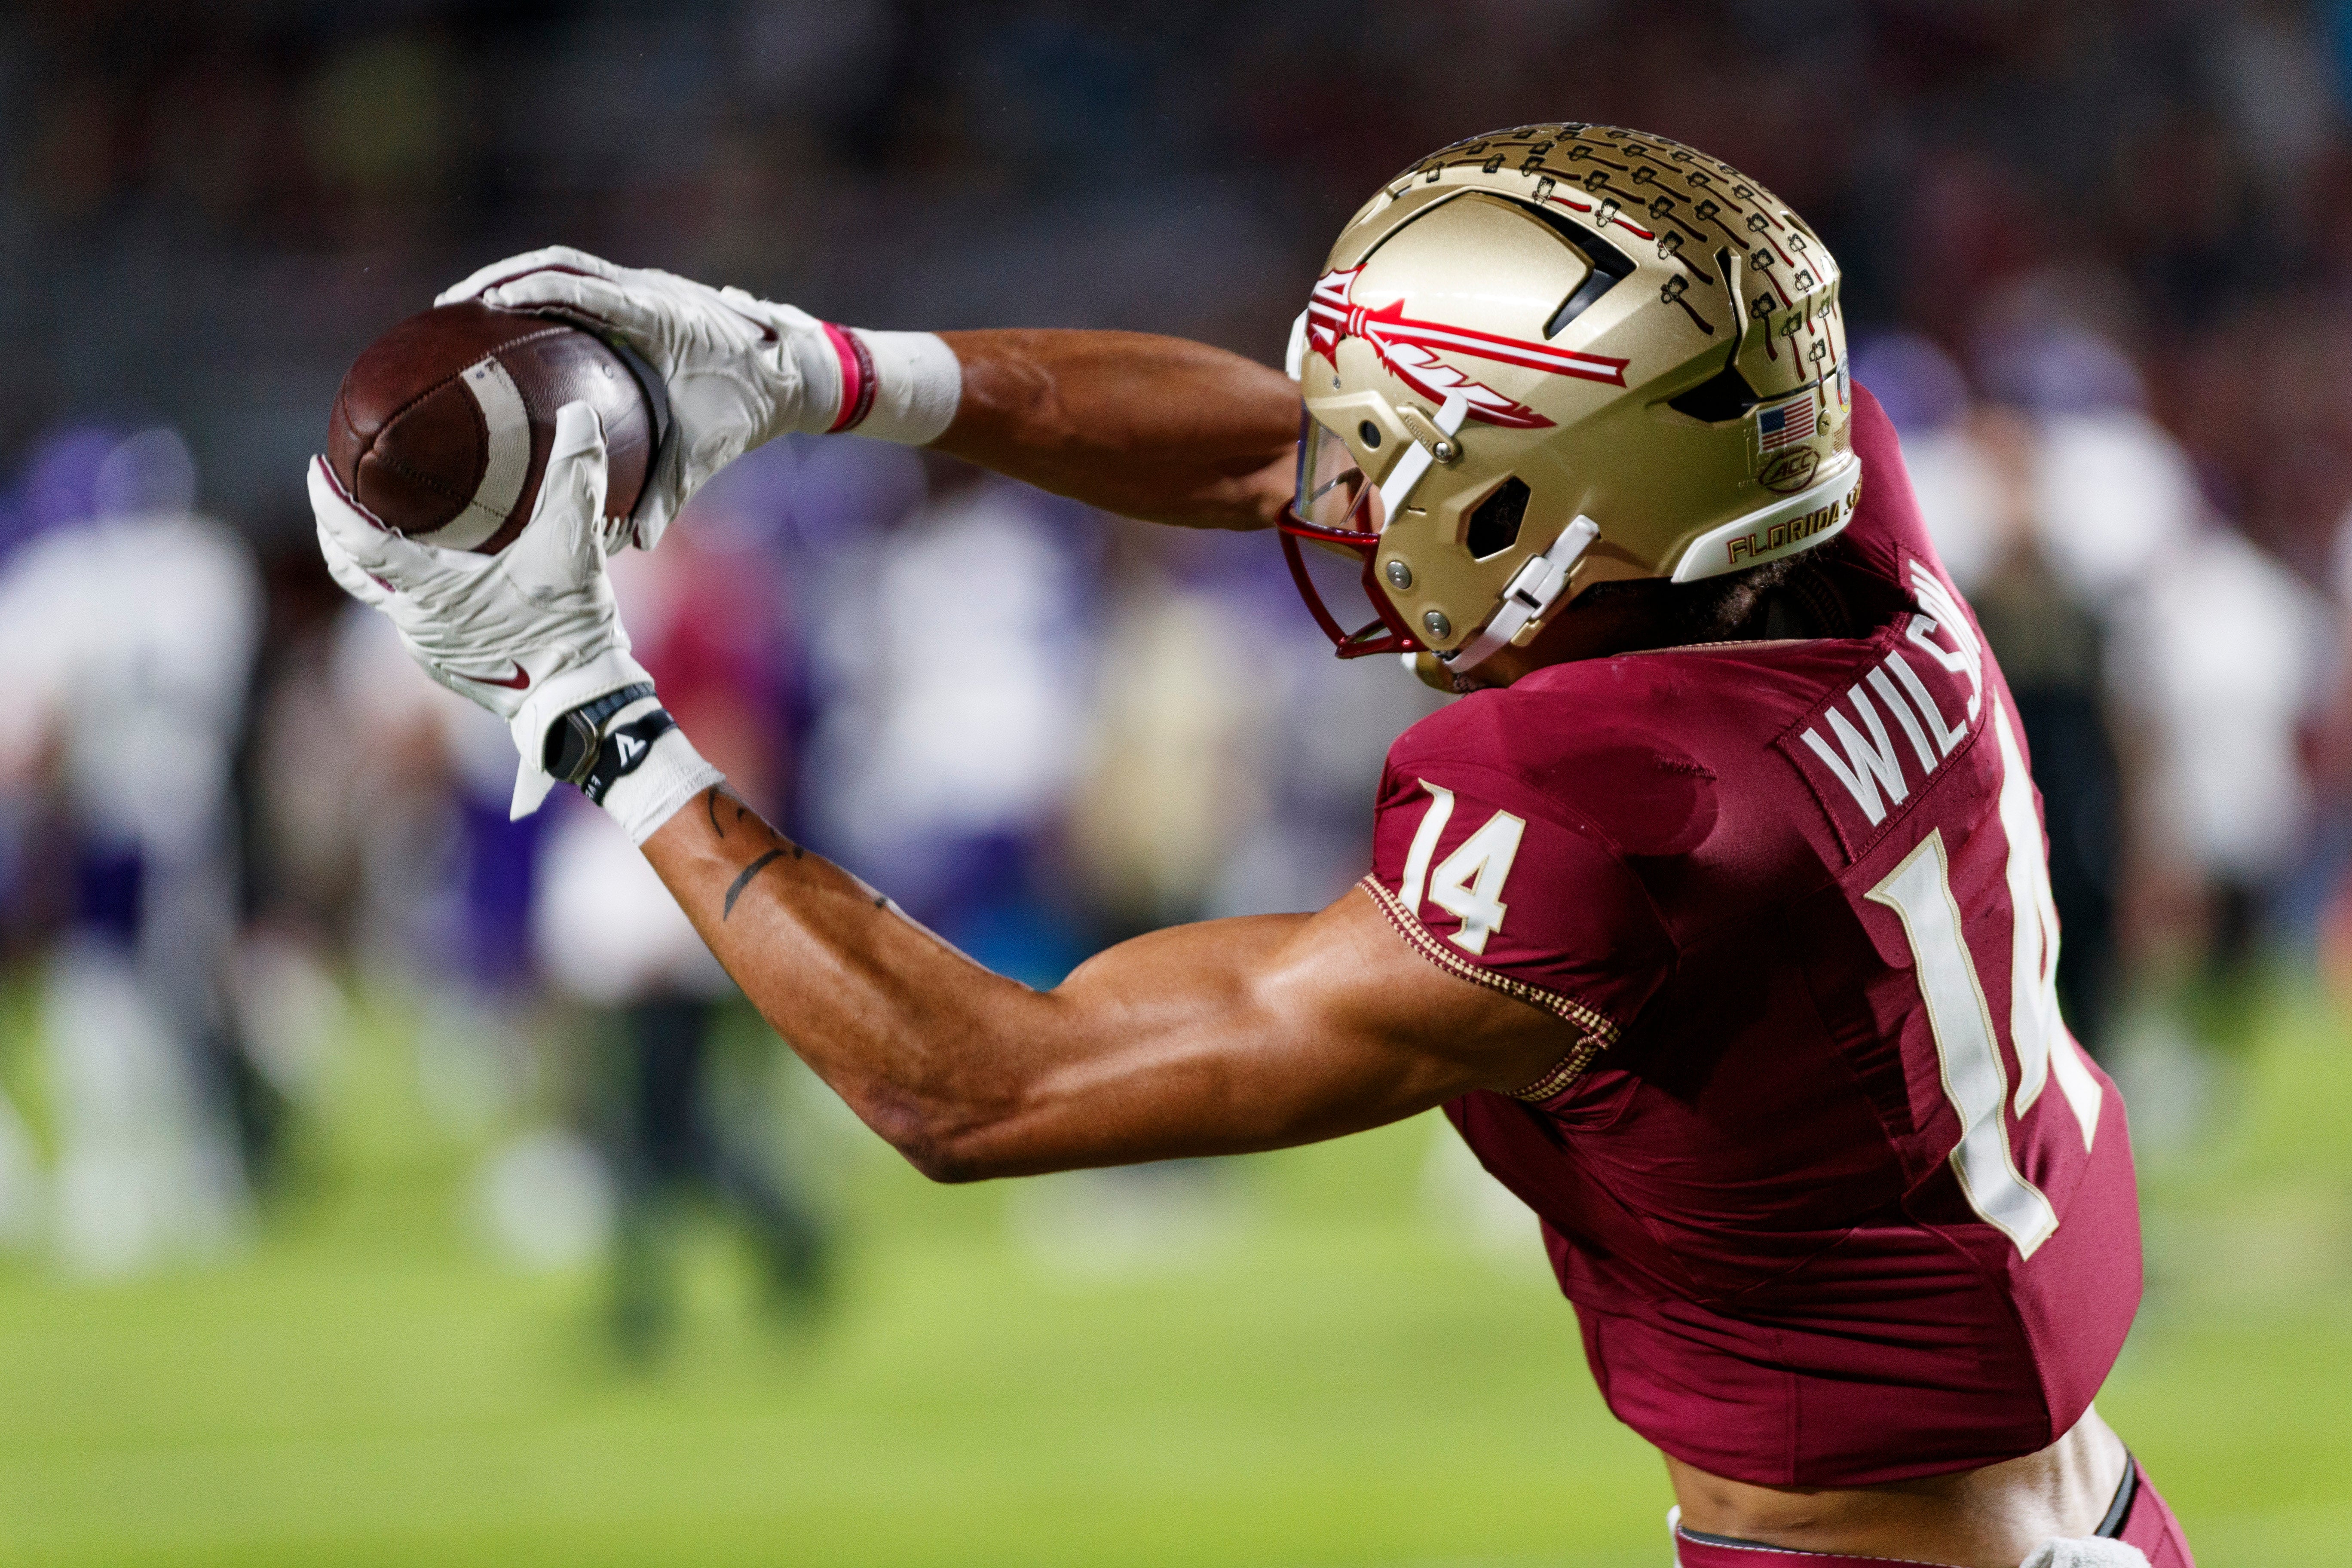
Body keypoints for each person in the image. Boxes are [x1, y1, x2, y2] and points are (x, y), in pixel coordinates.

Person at [311, 126, 2186, 1568]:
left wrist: (577, 700)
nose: (1352, 483)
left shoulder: (1626, 818)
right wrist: (814, 370)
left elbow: (982, 1092)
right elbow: (1272, 456)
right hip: (2097, 1514)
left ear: (1558, 489)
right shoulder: (1824, 521)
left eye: (1408, 447)